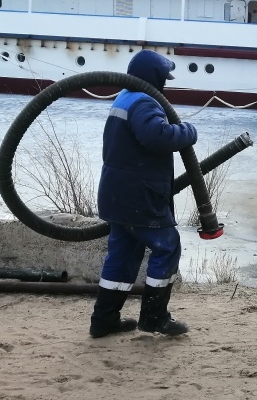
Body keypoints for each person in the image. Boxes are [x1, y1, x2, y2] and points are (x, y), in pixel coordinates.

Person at [90, 49, 198, 338]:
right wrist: (188, 131)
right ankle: (154, 317)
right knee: (167, 245)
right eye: (165, 78)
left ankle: (104, 320)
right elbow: (156, 136)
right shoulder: (144, 102)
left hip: (116, 193)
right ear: (155, 78)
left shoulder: (124, 97)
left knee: (123, 254)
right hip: (140, 195)